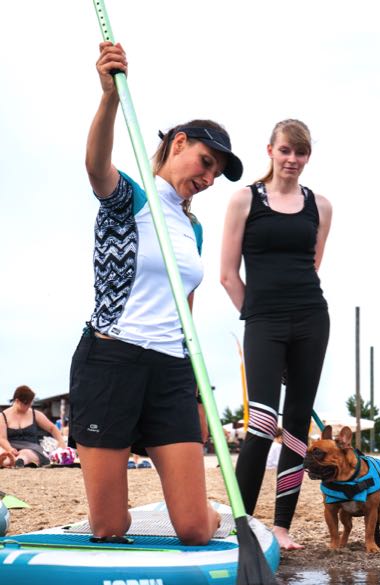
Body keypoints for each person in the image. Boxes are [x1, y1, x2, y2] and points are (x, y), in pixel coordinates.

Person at [68, 42, 243, 544]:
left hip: (168, 370)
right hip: (111, 361)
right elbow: (96, 165)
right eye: (205, 162)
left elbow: (185, 318)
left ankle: (206, 509)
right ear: (179, 143)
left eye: (216, 173)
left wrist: (196, 395)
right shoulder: (131, 200)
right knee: (108, 527)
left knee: (194, 530)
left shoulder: (194, 232)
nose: (208, 178)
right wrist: (109, 98)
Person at [220, 119, 332, 549]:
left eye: (300, 153)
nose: (292, 160)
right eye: (285, 151)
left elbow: (313, 265)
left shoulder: (319, 206)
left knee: (296, 426)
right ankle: (243, 521)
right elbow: (228, 275)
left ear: (307, 156)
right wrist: (260, 316)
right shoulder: (244, 200)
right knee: (263, 423)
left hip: (311, 319)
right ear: (270, 150)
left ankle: (281, 528)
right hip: (263, 322)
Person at [0, 385, 67, 467]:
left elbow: (52, 428)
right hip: (10, 446)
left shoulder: (35, 414)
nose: (29, 406)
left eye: (30, 404)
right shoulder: (3, 416)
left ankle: (18, 461)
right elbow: (2, 438)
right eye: (26, 404)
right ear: (17, 401)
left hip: (31, 447)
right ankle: (7, 461)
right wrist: (10, 449)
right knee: (3, 452)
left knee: (26, 454)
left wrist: (61, 442)